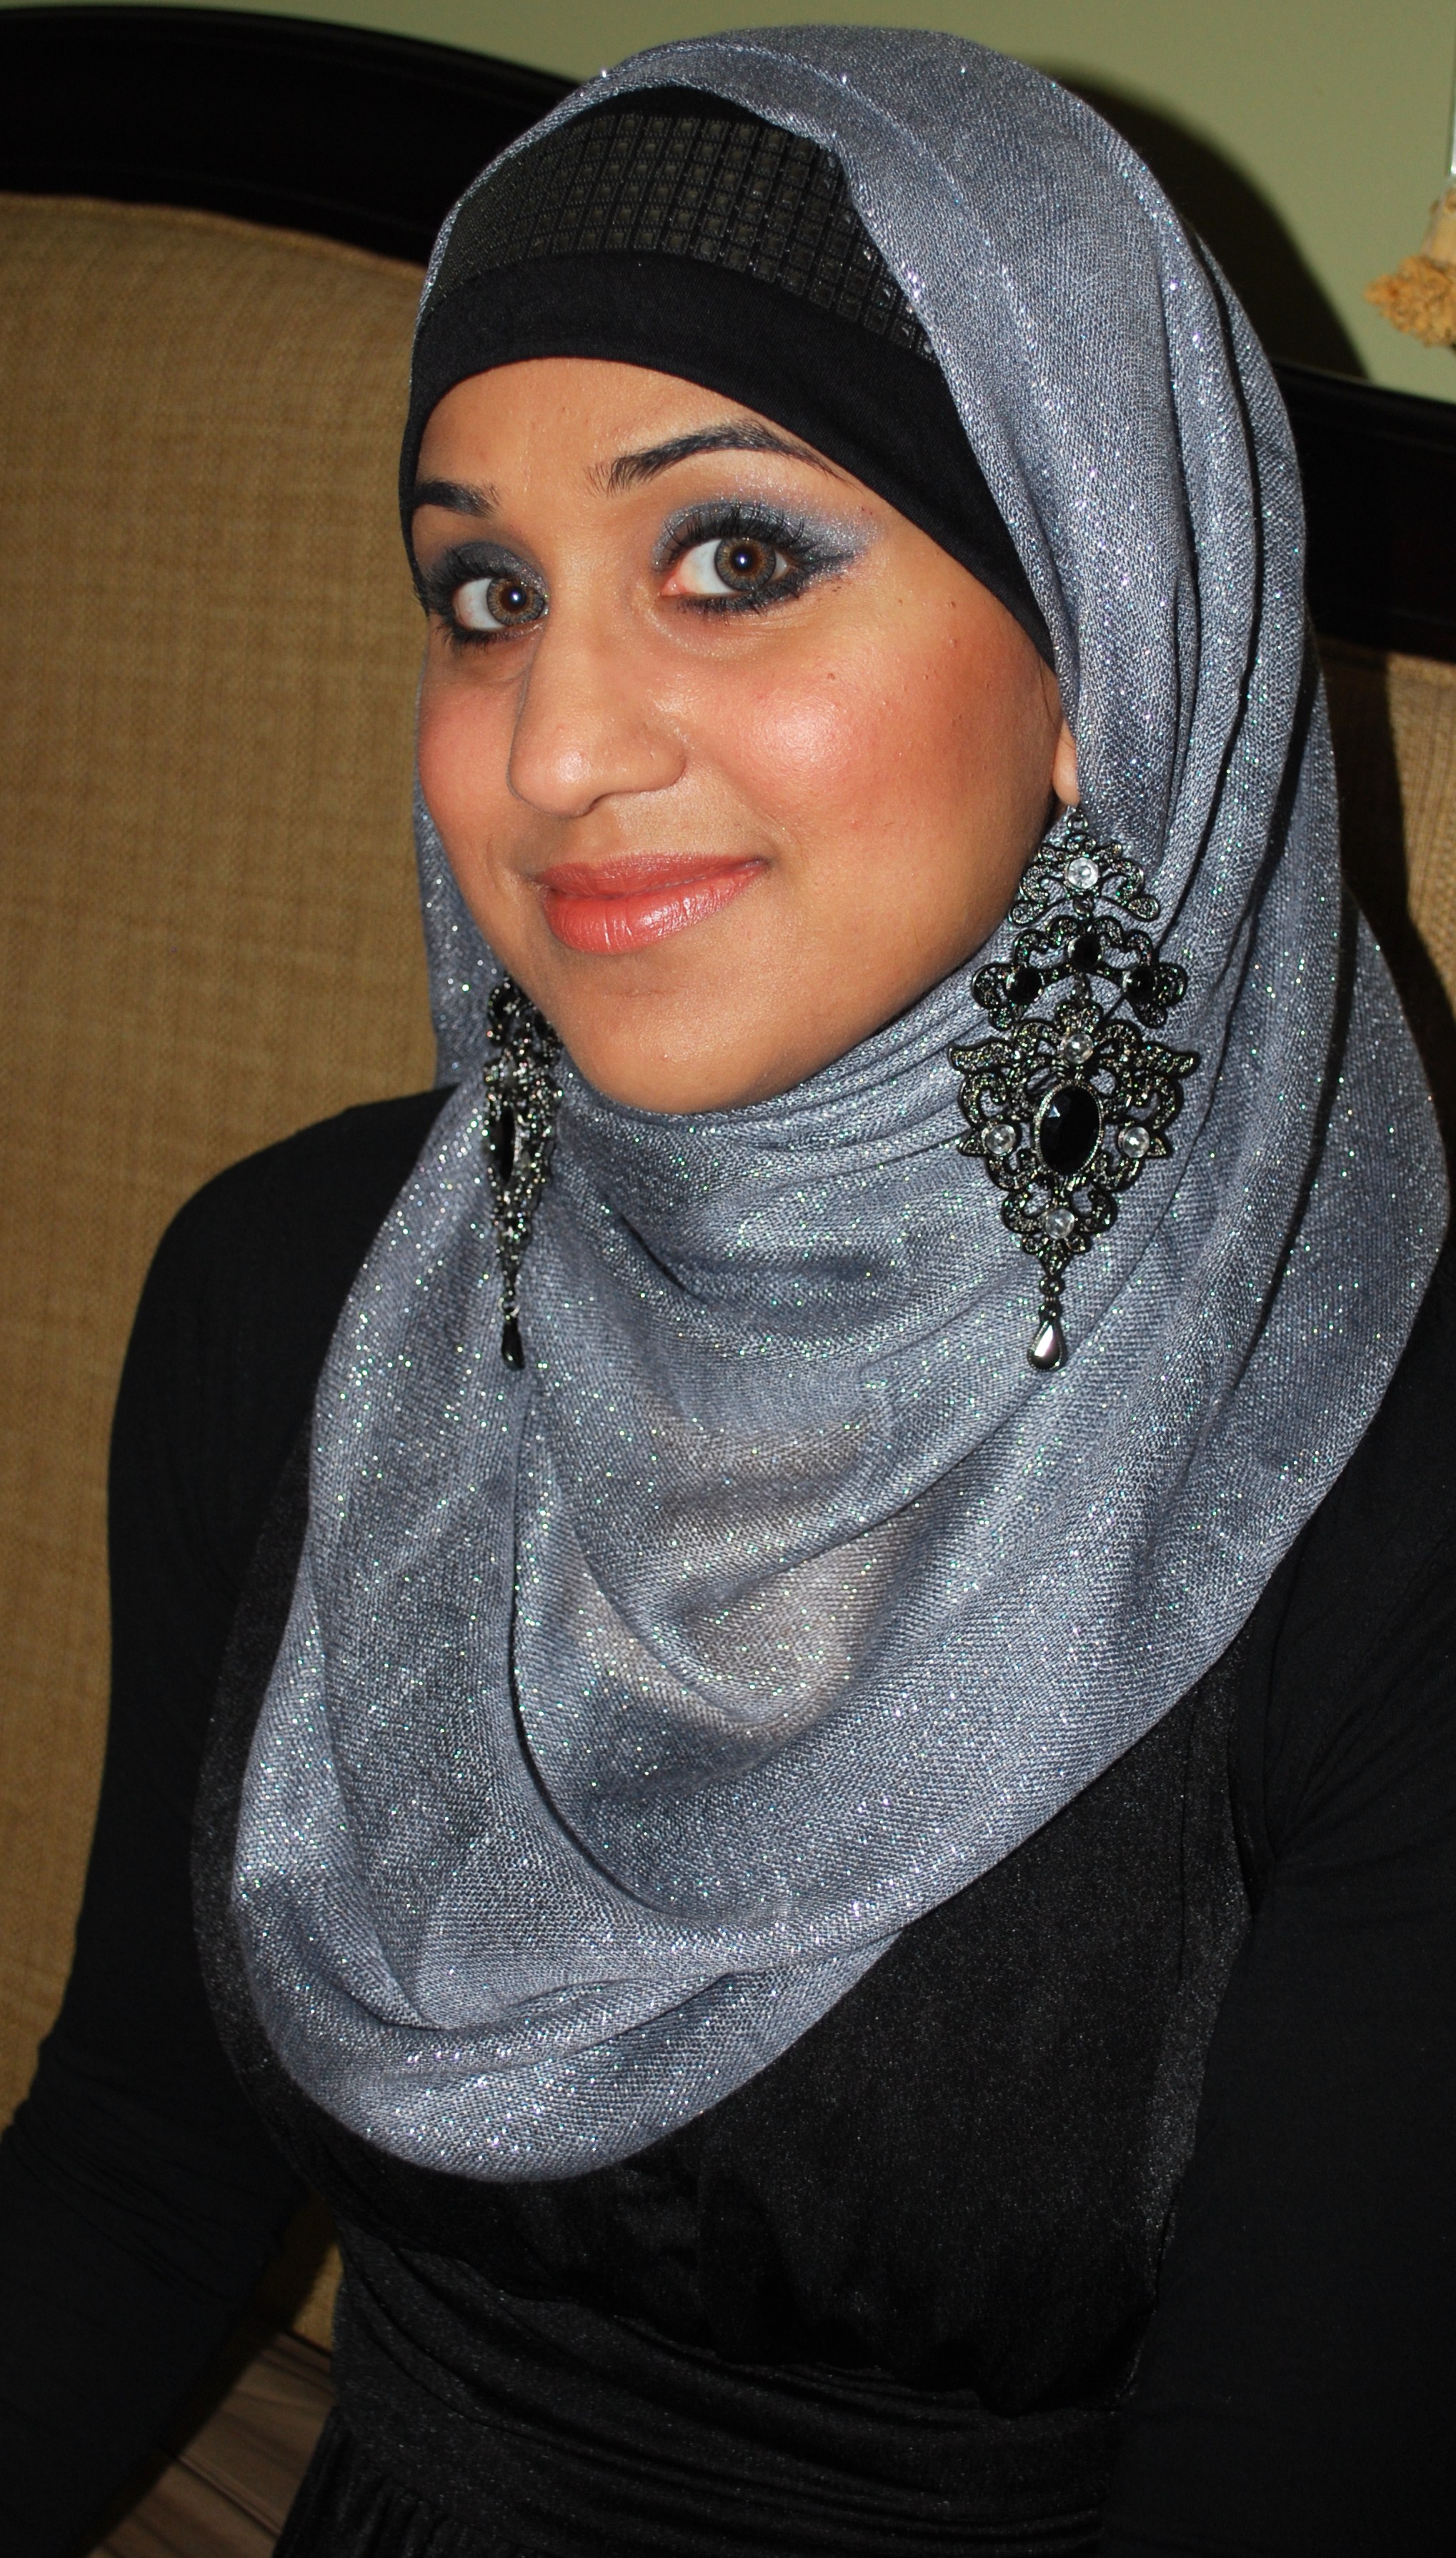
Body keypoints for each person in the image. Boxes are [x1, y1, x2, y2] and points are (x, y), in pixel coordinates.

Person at [1, 26, 1454, 2557]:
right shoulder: (295, 1295)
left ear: (1102, 641)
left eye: (736, 558)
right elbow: (138, 2158)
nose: (553, 746)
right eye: (486, 595)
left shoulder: (1384, 1488)